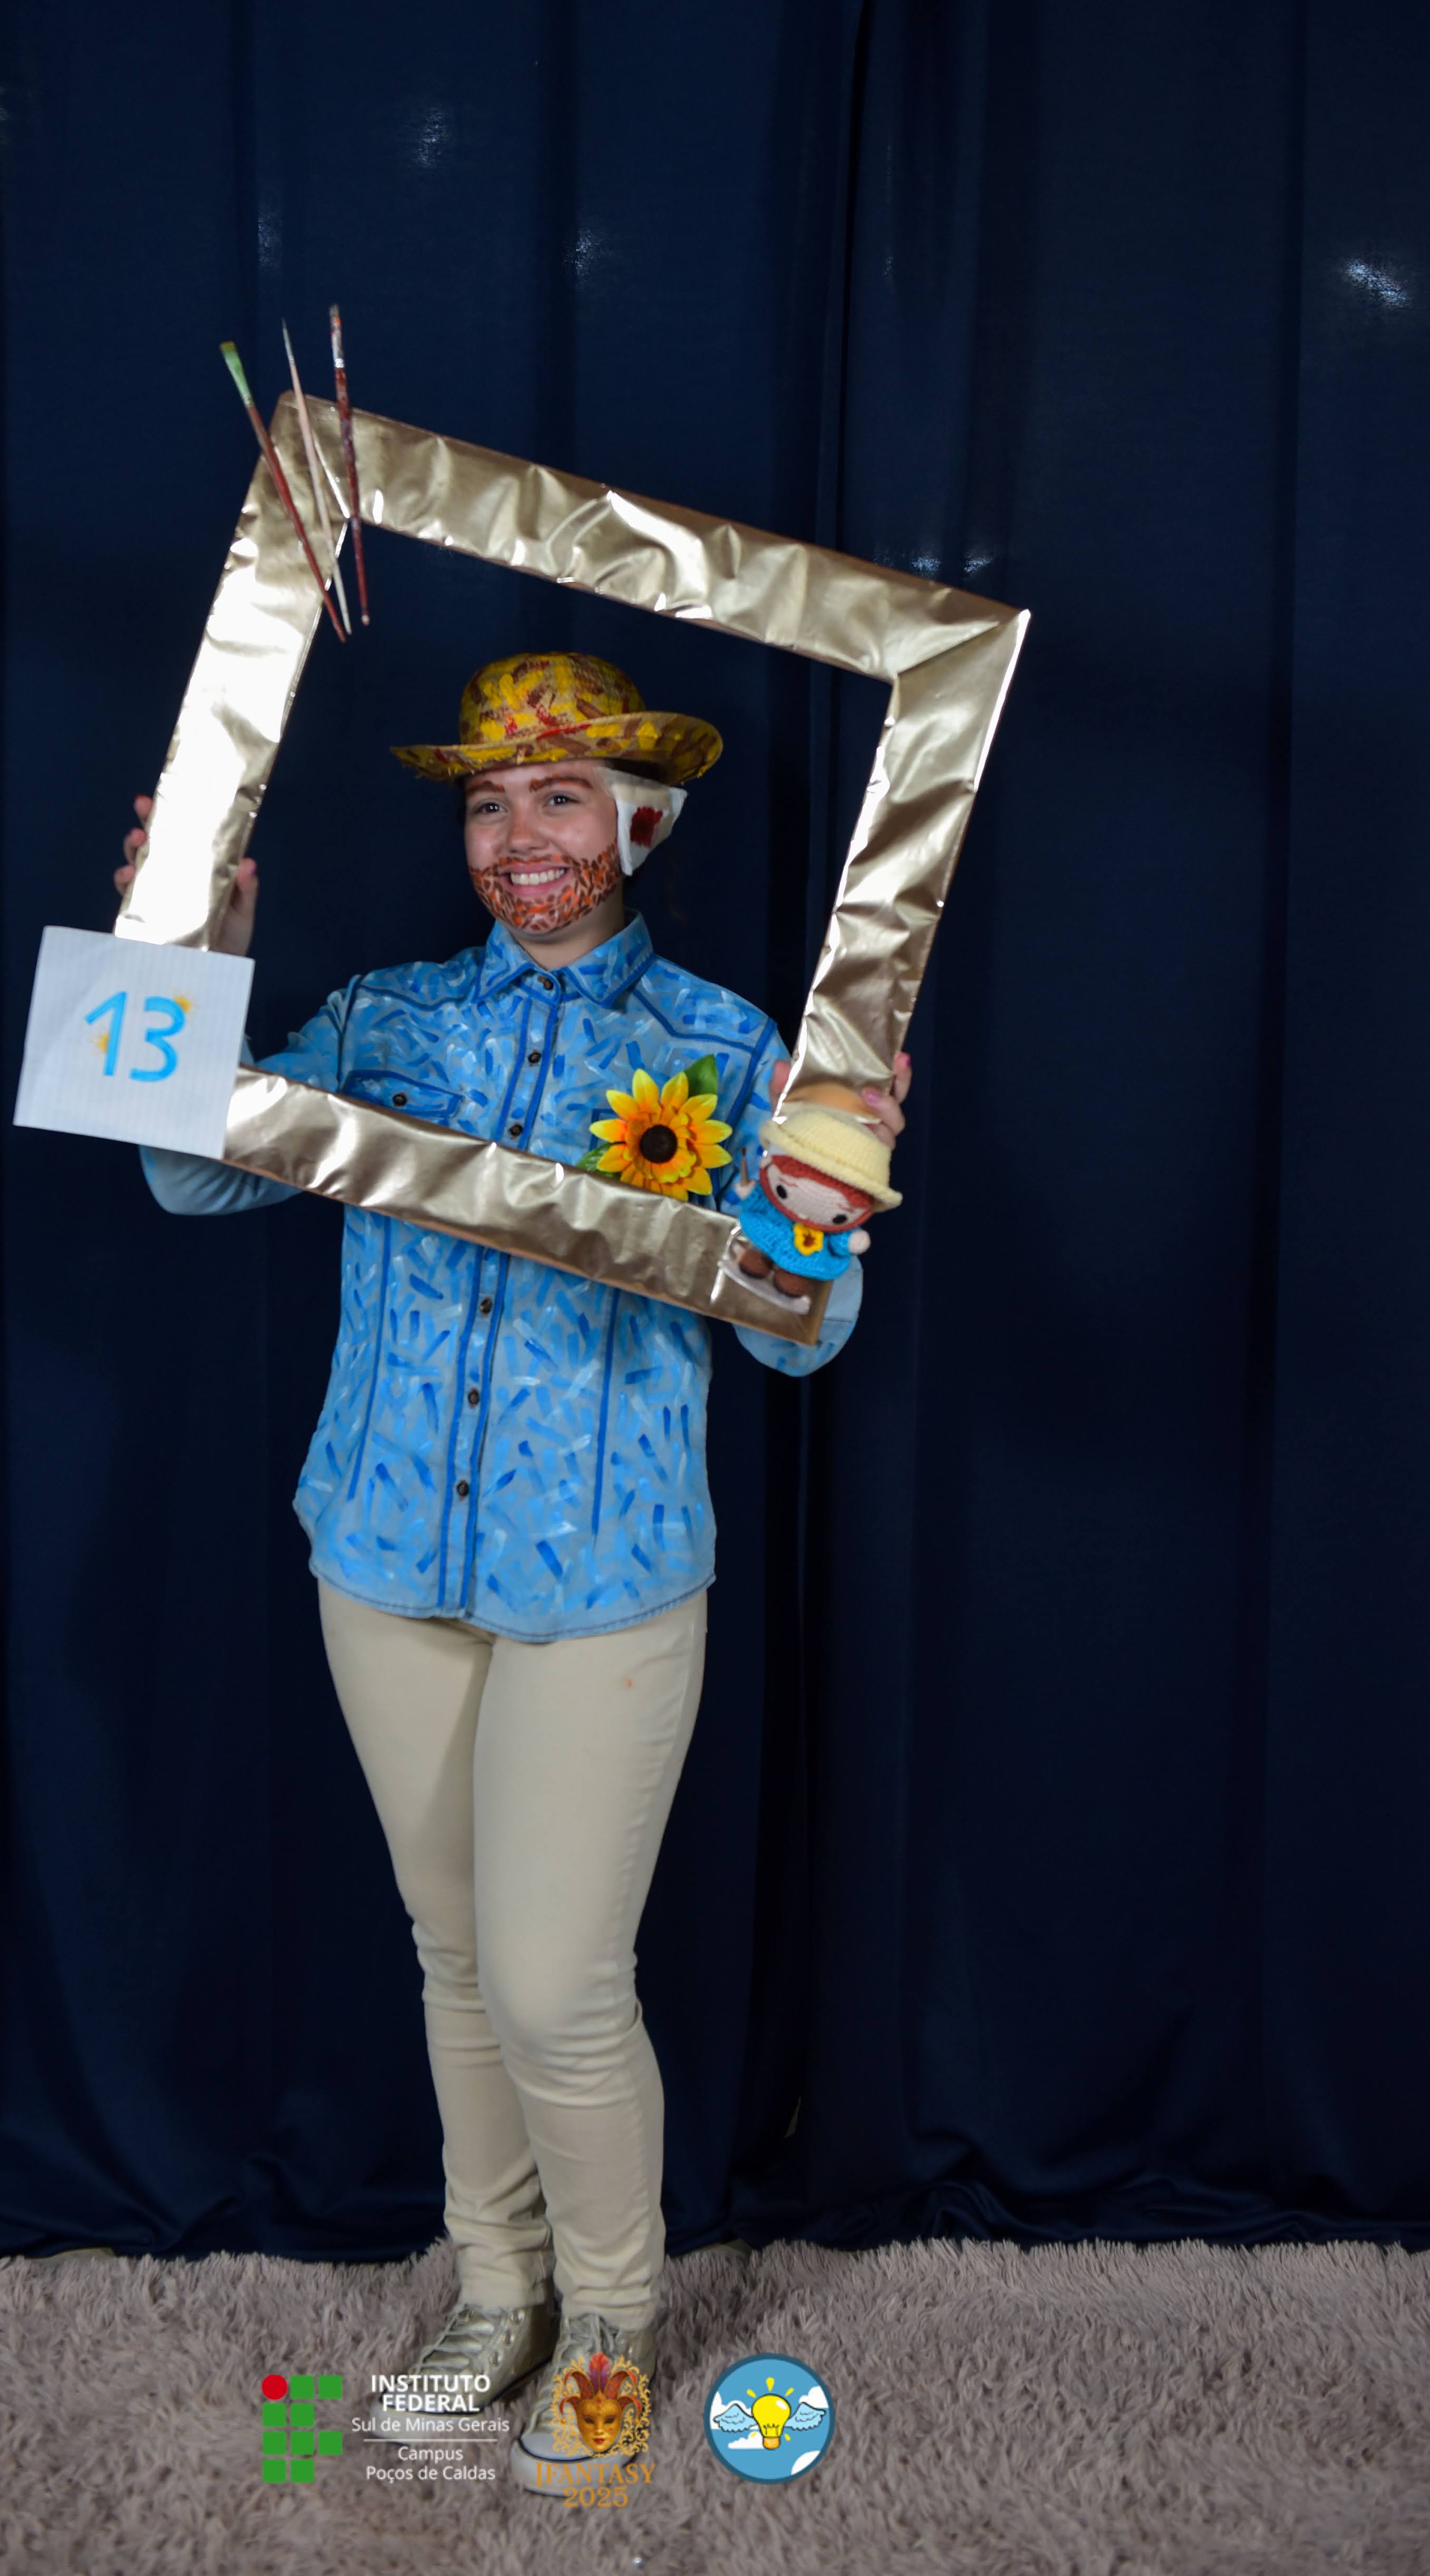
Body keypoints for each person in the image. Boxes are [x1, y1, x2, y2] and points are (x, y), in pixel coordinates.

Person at [119, 652, 908, 2495]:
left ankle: (612, 2321)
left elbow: (801, 1336)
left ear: (641, 822)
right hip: (381, 1555)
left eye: (559, 797)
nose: (517, 834)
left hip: (602, 1583)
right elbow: (183, 1179)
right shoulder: (384, 1016)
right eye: (487, 800)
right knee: (459, 1962)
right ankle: (497, 2292)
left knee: (557, 1984)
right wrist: (181, 948)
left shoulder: (732, 1049)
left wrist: (818, 1208)